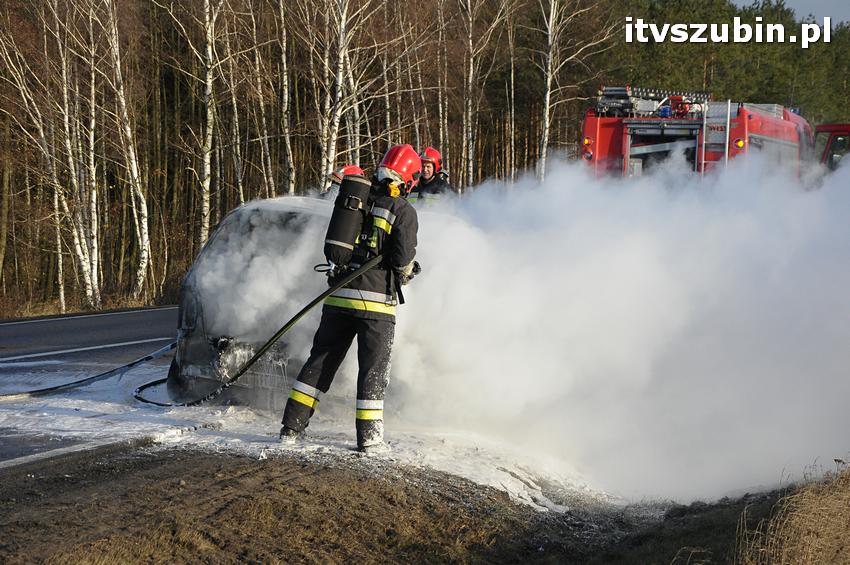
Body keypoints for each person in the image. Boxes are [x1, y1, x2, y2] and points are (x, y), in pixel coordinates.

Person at [280, 144, 421, 453]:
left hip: (338, 296)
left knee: (320, 363)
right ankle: (369, 439)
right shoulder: (403, 210)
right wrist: (410, 271)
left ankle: (291, 427)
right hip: (375, 305)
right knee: (372, 372)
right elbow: (401, 261)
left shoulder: (357, 198)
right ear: (408, 179)